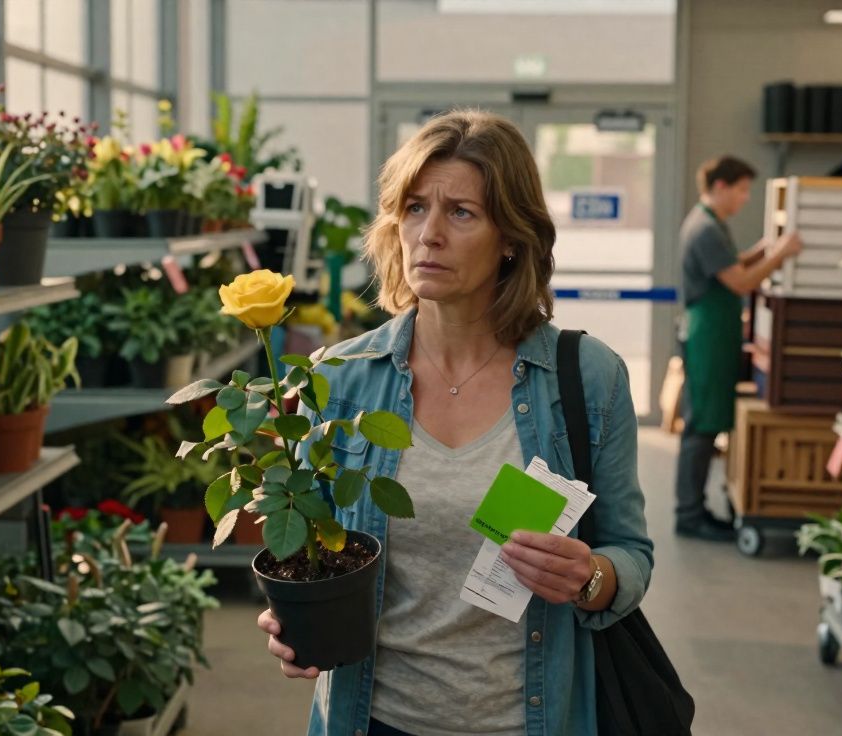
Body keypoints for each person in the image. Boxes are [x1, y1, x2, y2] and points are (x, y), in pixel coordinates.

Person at [256, 110, 653, 736]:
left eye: (461, 213)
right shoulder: (340, 379)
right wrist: (292, 618)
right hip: (372, 719)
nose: (429, 234)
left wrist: (589, 577)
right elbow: (309, 548)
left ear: (512, 238)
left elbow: (629, 553)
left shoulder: (586, 378)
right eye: (414, 208)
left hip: (531, 720)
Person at [673, 156, 803, 542]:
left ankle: (695, 509)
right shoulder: (706, 229)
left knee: (705, 424)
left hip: (713, 333)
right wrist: (780, 255)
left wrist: (763, 249)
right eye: (742, 190)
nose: (745, 198)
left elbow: (731, 265)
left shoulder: (710, 224)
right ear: (720, 186)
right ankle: (690, 515)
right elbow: (741, 282)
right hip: (707, 336)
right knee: (700, 427)